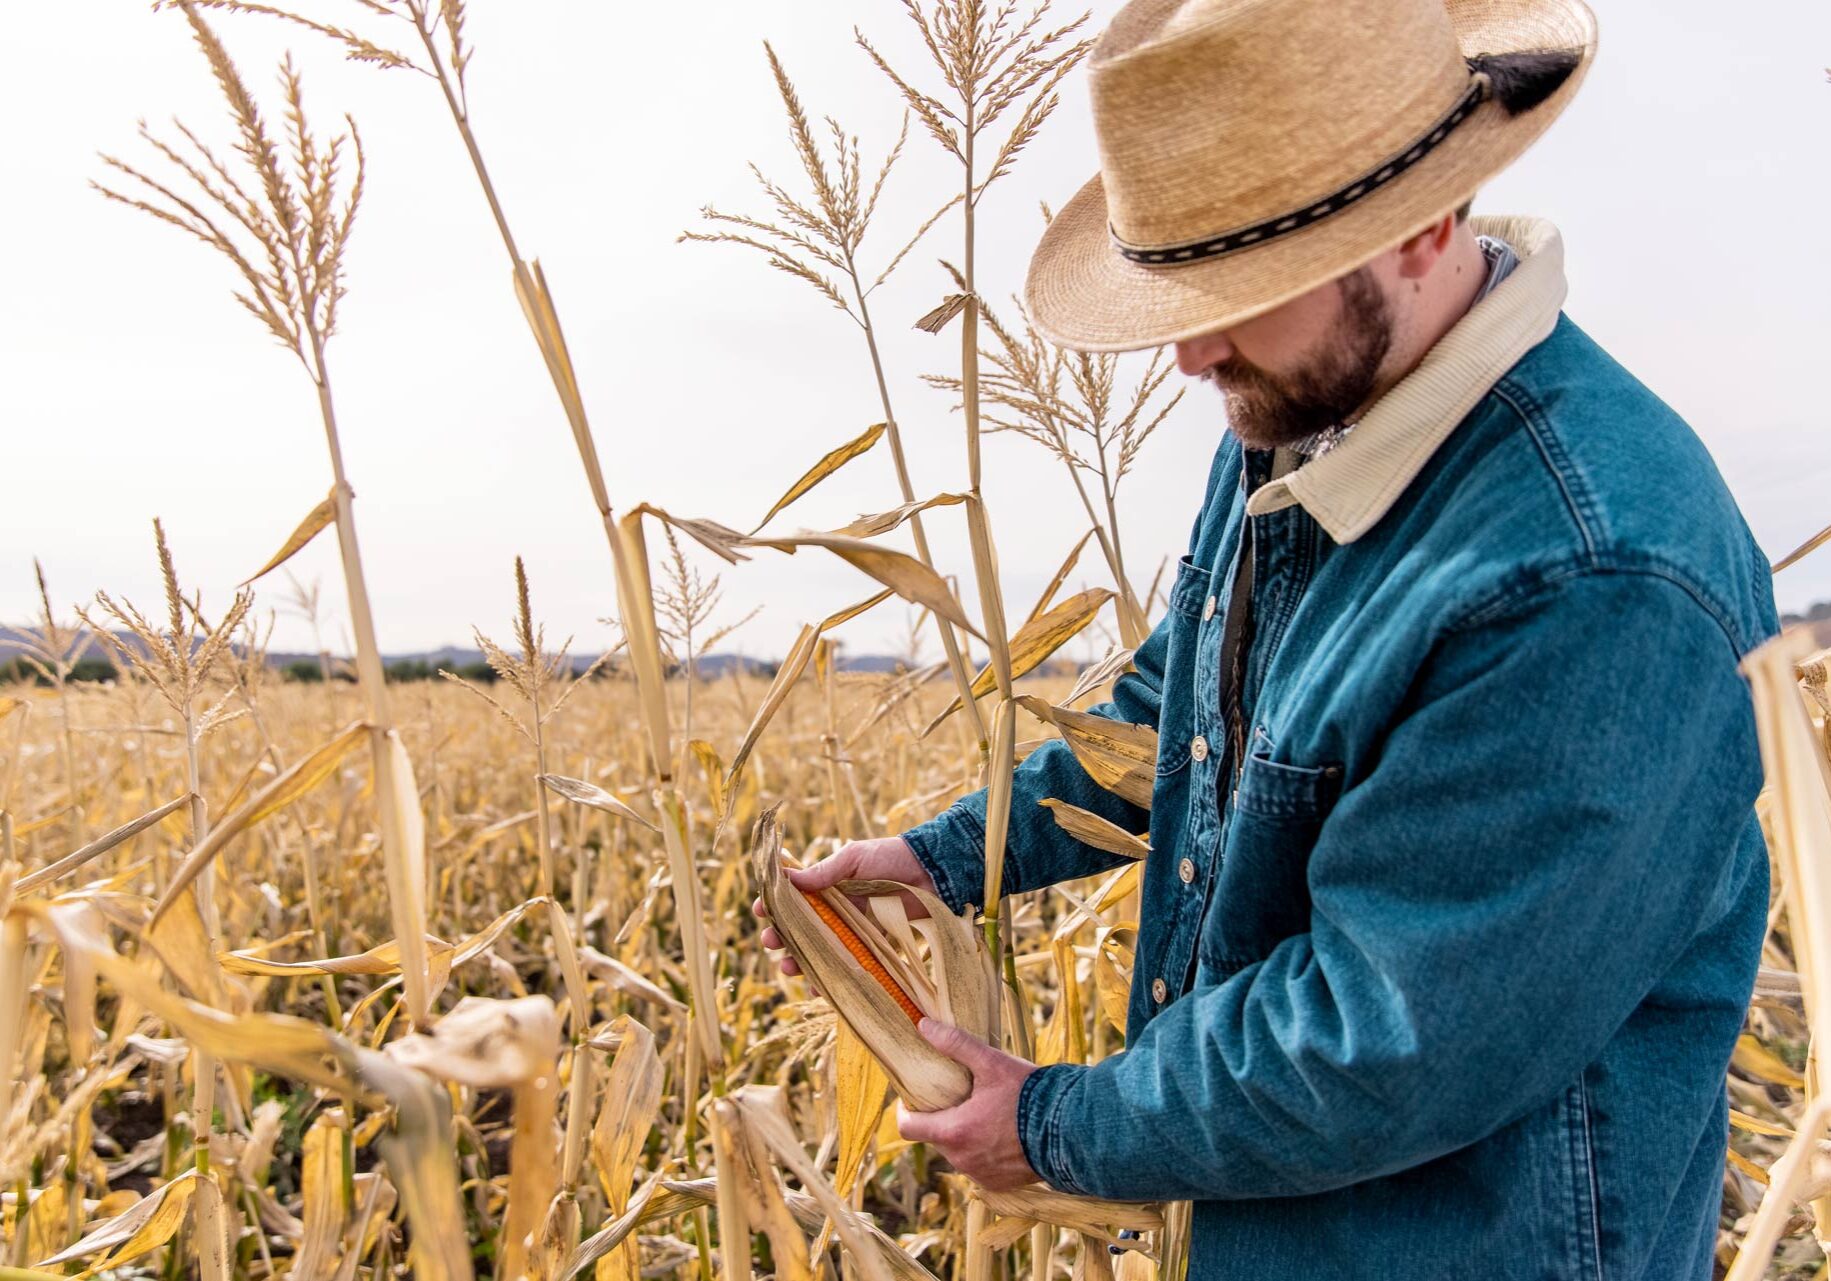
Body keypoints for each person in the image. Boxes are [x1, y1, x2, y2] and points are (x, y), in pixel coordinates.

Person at [758, 0, 1780, 1273]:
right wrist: (943, 857)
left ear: (1418, 226)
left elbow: (1392, 1038)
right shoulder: (1307, 403)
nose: (1189, 351)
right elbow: (1184, 710)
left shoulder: (1585, 576)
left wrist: (1058, 1126)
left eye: (1237, 292)